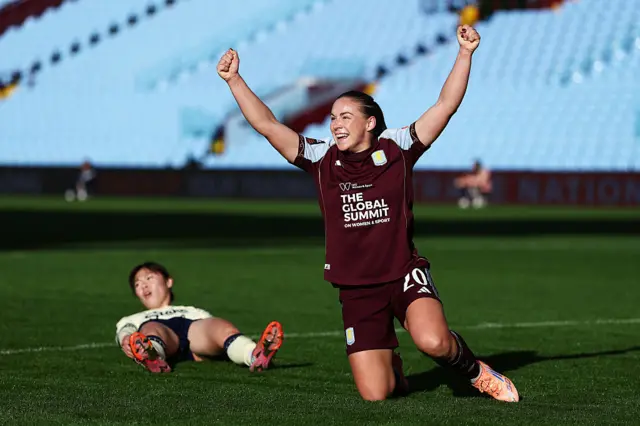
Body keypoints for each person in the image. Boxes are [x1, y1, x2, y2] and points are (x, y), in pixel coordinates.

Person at [217, 25, 519, 402]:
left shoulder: (399, 147)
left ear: (370, 122)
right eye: (332, 117)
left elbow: (445, 106)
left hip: (402, 272)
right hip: (356, 287)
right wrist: (235, 81)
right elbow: (267, 124)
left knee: (433, 342)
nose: (335, 124)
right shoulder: (320, 156)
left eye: (345, 116)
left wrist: (465, 54)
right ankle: (391, 364)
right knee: (377, 394)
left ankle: (476, 372)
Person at [116, 261, 284, 373]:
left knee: (219, 325)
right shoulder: (136, 317)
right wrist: (127, 340)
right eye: (137, 284)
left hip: (193, 333)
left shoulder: (192, 311)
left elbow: (208, 327)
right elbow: (126, 331)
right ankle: (153, 356)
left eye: (149, 278)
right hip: (162, 337)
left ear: (168, 282)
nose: (143, 285)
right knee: (152, 328)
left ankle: (255, 355)